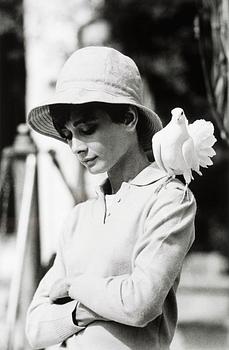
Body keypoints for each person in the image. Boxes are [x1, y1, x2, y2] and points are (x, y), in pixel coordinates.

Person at [26, 46, 196, 350]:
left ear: (128, 119)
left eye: (87, 129)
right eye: (68, 136)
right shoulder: (79, 216)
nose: (76, 147)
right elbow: (36, 326)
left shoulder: (169, 199)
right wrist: (84, 309)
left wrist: (72, 286)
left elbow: (140, 304)